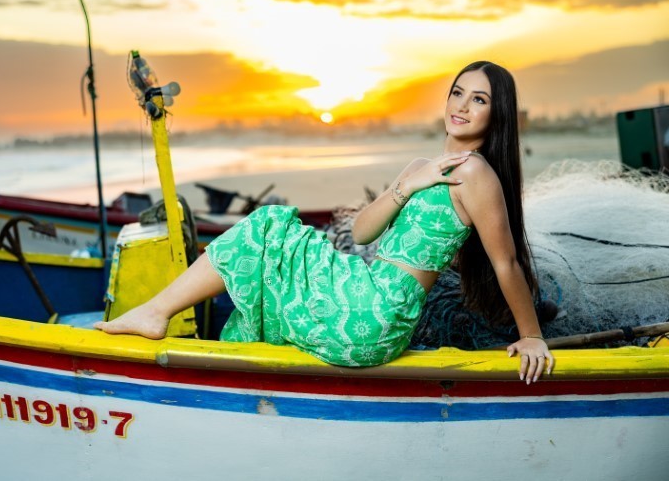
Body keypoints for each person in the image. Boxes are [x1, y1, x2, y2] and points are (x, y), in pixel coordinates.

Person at [95, 61, 554, 384]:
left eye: (479, 99)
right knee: (269, 236)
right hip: (365, 290)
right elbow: (362, 233)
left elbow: (506, 262)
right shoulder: (423, 167)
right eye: (457, 93)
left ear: (496, 113)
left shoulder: (476, 174)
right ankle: (160, 314)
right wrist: (408, 184)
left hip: (379, 314)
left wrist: (531, 336)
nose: (462, 105)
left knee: (267, 226)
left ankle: (156, 312)